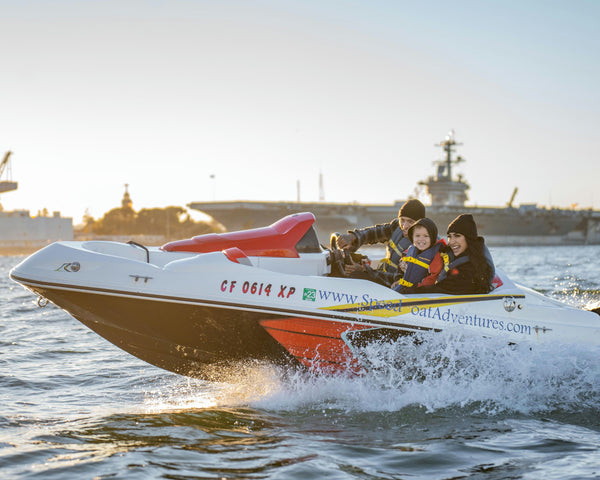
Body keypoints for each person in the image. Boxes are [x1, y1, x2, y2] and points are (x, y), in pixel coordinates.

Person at [334, 199, 426, 287]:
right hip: (380, 276)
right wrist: (353, 237)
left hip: (392, 288)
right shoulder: (396, 227)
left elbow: (399, 281)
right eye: (402, 220)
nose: (404, 226)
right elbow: (375, 233)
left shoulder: (423, 246)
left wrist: (365, 271)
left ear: (420, 223)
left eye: (410, 222)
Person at [401, 213, 494, 295]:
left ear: (468, 238)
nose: (451, 242)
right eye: (449, 237)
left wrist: (410, 290)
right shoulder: (449, 254)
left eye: (457, 236)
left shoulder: (471, 268)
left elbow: (444, 287)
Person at [392, 218, 445, 292]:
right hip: (404, 287)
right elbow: (400, 269)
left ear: (432, 237)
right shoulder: (410, 251)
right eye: (417, 236)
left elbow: (433, 278)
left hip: (419, 291)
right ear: (412, 238)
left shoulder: (436, 255)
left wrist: (415, 288)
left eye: (426, 236)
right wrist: (398, 280)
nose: (421, 239)